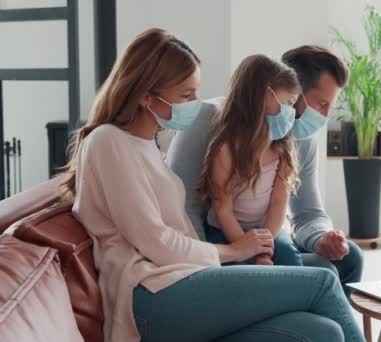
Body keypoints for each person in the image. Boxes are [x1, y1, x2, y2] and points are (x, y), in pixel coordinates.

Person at [61, 28, 364, 342]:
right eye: (186, 95)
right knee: (322, 283)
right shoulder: (108, 141)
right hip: (150, 293)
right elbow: (157, 242)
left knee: (323, 331)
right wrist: (232, 251)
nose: (196, 104)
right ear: (145, 94)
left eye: (196, 92)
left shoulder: (146, 143)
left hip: (185, 276)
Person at [167, 45, 364, 296]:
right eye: (321, 103)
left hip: (267, 231)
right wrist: (210, 262)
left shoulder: (300, 138)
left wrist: (322, 238)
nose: (323, 117)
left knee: (351, 257)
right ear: (287, 89)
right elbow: (184, 205)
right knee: (314, 275)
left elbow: (307, 212)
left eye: (330, 107)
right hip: (220, 236)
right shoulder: (210, 119)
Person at [200, 54, 303, 266]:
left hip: (268, 230)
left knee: (290, 259)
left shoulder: (282, 148)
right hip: (226, 230)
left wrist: (264, 248)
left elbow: (278, 203)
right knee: (240, 268)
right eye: (289, 102)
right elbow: (223, 210)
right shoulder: (226, 150)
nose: (291, 112)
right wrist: (246, 248)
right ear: (266, 95)